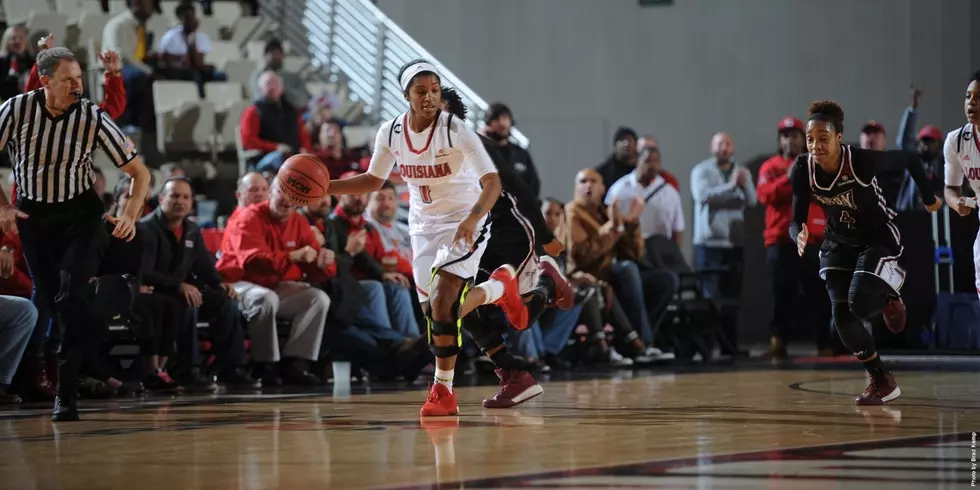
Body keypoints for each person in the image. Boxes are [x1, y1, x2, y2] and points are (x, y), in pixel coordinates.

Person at [325, 59, 528, 417]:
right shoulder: (390, 132)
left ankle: (443, 392)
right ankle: (499, 288)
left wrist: (473, 218)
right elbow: (374, 180)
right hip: (423, 228)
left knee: (442, 303)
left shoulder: (456, 129)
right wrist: (325, 187)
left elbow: (492, 182)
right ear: (406, 95)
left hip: (465, 220)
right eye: (421, 91)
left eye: (435, 90)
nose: (430, 97)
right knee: (438, 315)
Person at [0, 47, 151, 421]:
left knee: (71, 300)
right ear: (46, 80)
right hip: (34, 216)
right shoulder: (16, 109)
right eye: (68, 79)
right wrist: (3, 207)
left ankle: (66, 394)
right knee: (51, 300)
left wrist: (130, 215)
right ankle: (107, 296)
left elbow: (141, 174)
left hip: (80, 215)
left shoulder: (91, 116)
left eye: (80, 78)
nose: (77, 86)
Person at [790, 100, 941, 405]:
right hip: (838, 240)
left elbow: (910, 159)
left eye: (823, 138)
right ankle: (881, 378)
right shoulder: (802, 168)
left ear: (838, 138)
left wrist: (928, 198)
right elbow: (796, 219)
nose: (816, 145)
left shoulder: (859, 161)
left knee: (859, 304)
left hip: (877, 236)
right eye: (810, 139)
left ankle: (887, 297)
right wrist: (799, 234)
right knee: (841, 313)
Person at [756, 117, 833, 358]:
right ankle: (778, 342)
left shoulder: (818, 166)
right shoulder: (770, 167)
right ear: (780, 141)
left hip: (812, 240)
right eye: (786, 136)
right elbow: (764, 195)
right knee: (782, 295)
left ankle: (825, 343)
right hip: (781, 240)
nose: (791, 140)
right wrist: (788, 176)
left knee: (819, 295)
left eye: (796, 136)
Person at [942, 70, 980, 297]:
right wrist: (957, 203)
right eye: (968, 96)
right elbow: (950, 188)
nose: (971, 102)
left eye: (978, 97)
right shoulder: (956, 140)